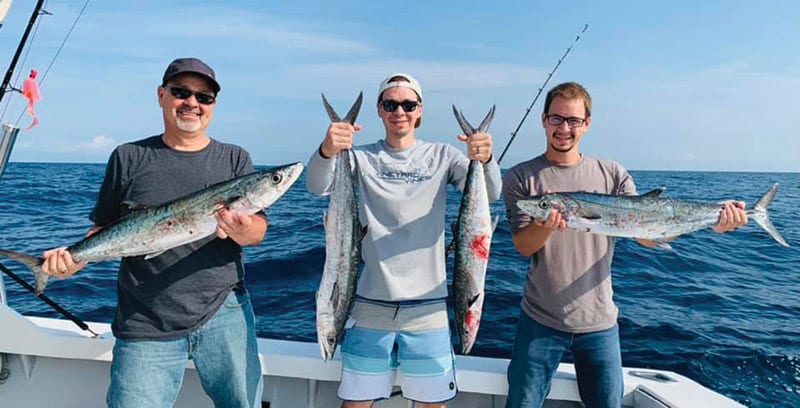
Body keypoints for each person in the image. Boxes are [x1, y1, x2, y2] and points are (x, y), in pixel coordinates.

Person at [501, 81, 748, 407]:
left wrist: (715, 220)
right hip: (539, 320)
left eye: (573, 120)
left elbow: (644, 233)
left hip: (600, 322)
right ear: (544, 120)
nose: (564, 128)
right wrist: (545, 226)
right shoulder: (520, 177)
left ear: (586, 124)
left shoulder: (612, 173)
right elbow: (523, 246)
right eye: (557, 119)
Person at [40, 57, 266, 408]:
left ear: (213, 106)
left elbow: (257, 234)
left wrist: (243, 227)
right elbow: (104, 229)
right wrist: (73, 262)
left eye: (204, 97)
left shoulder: (234, 159)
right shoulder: (128, 157)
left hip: (225, 312)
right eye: (181, 92)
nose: (192, 103)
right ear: (161, 95)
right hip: (144, 317)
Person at [306, 73, 503, 407]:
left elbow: (493, 192)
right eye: (390, 104)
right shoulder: (359, 157)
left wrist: (485, 159)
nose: (400, 111)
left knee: (432, 404)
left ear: (419, 110)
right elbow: (316, 186)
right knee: (356, 403)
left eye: (408, 104)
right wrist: (327, 150)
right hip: (369, 303)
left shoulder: (443, 156)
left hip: (429, 307)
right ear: (380, 110)